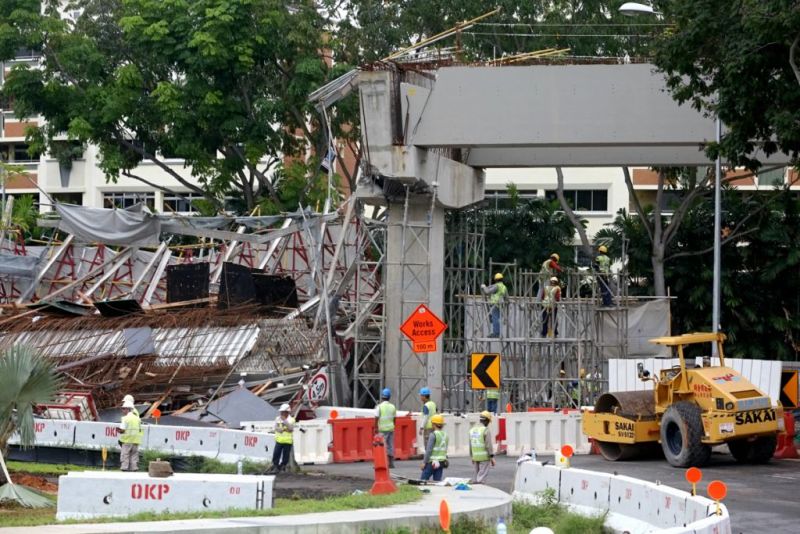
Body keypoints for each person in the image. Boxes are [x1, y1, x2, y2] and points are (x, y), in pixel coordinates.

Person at [469, 411, 495, 484]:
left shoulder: (472, 430)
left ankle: (477, 490)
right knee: (481, 478)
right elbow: (488, 445)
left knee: (478, 475)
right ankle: (480, 490)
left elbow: (471, 445)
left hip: (475, 456)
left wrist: (472, 456)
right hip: (484, 457)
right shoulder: (485, 430)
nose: (489, 424)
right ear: (486, 420)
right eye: (489, 422)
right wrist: (492, 457)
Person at [420, 414, 448, 482]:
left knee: (423, 480)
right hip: (441, 462)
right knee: (437, 482)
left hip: (432, 462)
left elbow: (429, 450)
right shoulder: (445, 435)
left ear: (433, 424)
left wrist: (424, 462)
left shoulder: (433, 435)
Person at [119, 395, 142, 472]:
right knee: (134, 455)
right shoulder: (137, 417)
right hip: (136, 439)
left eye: (123, 408)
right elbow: (139, 428)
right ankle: (134, 468)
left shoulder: (125, 418)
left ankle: (124, 468)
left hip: (127, 439)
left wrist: (118, 431)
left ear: (128, 409)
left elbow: (123, 429)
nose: (122, 410)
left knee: (125, 454)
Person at [374, 388, 397, 468]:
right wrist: (393, 426)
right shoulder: (392, 407)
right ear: (389, 397)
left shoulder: (379, 407)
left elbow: (376, 417)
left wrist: (375, 427)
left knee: (381, 445)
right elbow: (394, 418)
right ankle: (391, 463)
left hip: (382, 429)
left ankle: (381, 463)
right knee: (390, 445)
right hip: (391, 428)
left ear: (382, 397)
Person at [481, 273, 508, 338]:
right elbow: (506, 298)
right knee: (496, 318)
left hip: (495, 304)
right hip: (500, 305)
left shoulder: (496, 286)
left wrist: (484, 287)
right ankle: (496, 332)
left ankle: (496, 333)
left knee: (495, 318)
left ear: (495, 280)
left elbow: (487, 292)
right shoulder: (504, 287)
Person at [272, 403, 295, 473]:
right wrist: (283, 429)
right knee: (276, 454)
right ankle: (275, 467)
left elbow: (291, 429)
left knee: (285, 457)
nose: (281, 413)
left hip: (287, 441)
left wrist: (285, 421)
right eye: (281, 412)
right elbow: (275, 428)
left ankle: (282, 467)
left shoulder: (291, 419)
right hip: (279, 440)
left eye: (283, 412)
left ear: (287, 412)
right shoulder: (277, 419)